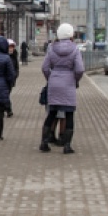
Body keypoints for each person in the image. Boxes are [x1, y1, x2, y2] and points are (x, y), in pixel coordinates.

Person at [39, 23, 85, 154]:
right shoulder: (75, 49)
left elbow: (44, 67)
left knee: (51, 113)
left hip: (54, 82)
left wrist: (51, 78)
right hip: (68, 82)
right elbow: (80, 69)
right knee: (69, 114)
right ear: (71, 35)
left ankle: (44, 142)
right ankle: (67, 145)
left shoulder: (51, 48)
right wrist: (75, 79)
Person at [5, 39, 20, 118]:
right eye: (9, 47)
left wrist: (15, 75)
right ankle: (8, 110)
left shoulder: (14, 56)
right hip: (3, 79)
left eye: (12, 47)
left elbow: (16, 68)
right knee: (6, 95)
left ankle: (6, 108)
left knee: (6, 94)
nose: (11, 49)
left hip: (11, 80)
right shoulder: (4, 56)